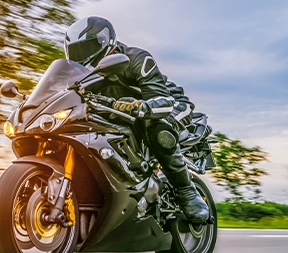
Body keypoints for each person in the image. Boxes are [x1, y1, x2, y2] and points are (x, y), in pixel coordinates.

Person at [64, 16, 209, 224]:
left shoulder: (136, 59)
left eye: (89, 47)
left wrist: (141, 106)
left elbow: (164, 100)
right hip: (123, 111)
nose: (83, 55)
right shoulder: (83, 76)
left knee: (159, 131)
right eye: (77, 50)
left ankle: (187, 191)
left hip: (170, 104)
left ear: (106, 42)